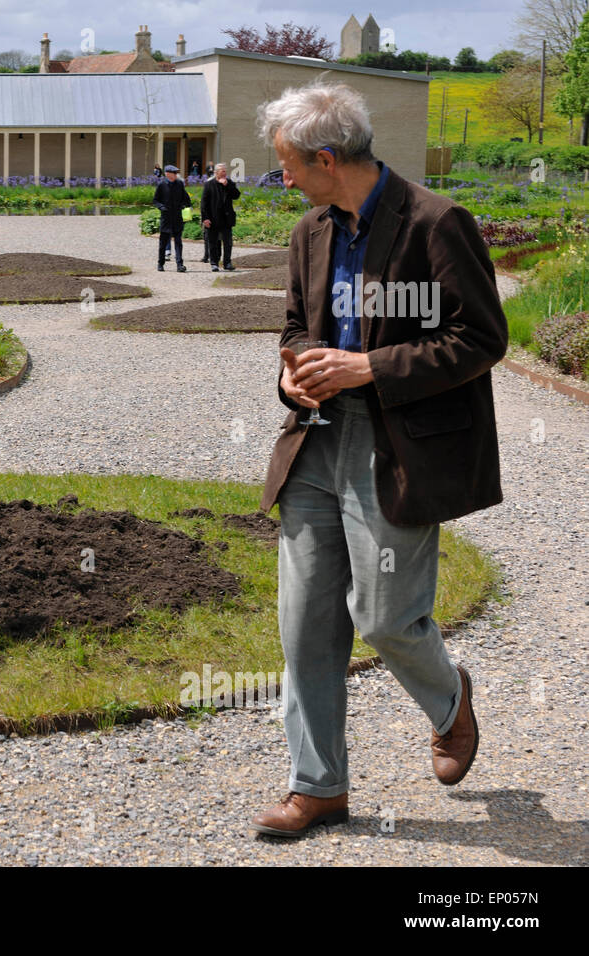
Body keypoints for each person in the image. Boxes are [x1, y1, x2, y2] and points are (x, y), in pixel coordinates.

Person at [250, 83, 506, 838]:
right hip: (314, 439)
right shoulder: (309, 233)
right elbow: (297, 328)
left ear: (327, 159)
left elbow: (481, 339)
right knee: (305, 627)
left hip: (399, 444)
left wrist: (371, 367)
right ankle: (318, 786)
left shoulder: (437, 223)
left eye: (291, 165)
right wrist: (292, 372)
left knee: (388, 619)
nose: (285, 178)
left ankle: (450, 700)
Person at [200, 162, 240, 272]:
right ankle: (214, 263)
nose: (224, 173)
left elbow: (236, 195)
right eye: (222, 171)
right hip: (212, 218)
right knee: (212, 242)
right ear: (216, 172)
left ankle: (227, 263)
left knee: (228, 243)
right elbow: (204, 203)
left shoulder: (230, 183)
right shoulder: (209, 184)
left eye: (225, 171)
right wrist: (205, 218)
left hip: (226, 219)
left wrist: (227, 185)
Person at [153, 164, 192, 272]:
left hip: (177, 218)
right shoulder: (161, 185)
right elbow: (155, 200)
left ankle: (180, 265)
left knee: (178, 243)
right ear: (167, 174)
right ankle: (160, 263)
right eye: (174, 173)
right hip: (166, 218)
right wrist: (162, 207)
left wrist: (184, 205)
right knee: (163, 243)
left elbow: (186, 199)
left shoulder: (180, 184)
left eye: (176, 173)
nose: (176, 174)